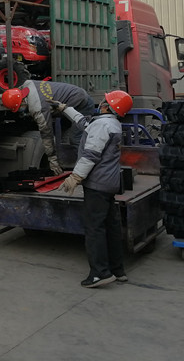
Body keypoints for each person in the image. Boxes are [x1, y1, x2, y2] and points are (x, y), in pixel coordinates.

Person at [55, 89, 133, 287]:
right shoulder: (110, 124)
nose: (101, 103)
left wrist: (76, 176)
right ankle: (117, 270)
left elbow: (90, 154)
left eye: (105, 101)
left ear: (109, 107)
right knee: (111, 226)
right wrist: (65, 108)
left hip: (97, 185)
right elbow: (84, 123)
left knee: (94, 229)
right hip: (109, 183)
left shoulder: (102, 126)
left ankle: (100, 273)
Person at [1, 80, 96, 174]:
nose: (21, 110)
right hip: (69, 102)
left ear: (22, 102)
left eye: (19, 108)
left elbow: (46, 133)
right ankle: (69, 165)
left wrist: (52, 159)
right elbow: (17, 92)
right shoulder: (28, 84)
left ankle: (88, 170)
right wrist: (4, 96)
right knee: (63, 138)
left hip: (82, 104)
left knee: (75, 139)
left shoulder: (38, 108)